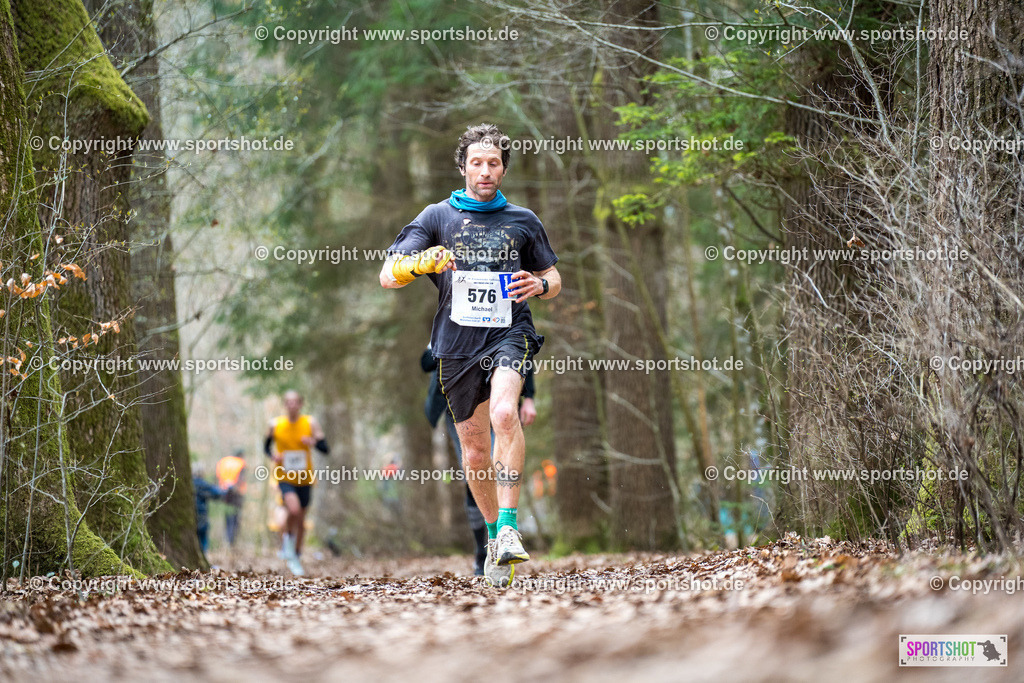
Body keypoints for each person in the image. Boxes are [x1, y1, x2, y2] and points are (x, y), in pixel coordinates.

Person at [380, 123, 560, 587]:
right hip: (457, 347)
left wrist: (540, 285)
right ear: (462, 166)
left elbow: (553, 277)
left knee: (505, 412)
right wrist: (421, 262)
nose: (485, 171)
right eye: (476, 163)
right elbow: (388, 275)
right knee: (476, 451)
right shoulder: (437, 216)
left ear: (503, 168)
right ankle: (497, 541)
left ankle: (509, 524)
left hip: (510, 332)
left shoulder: (523, 220)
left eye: (494, 163)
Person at [422, 346, 537, 576]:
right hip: (457, 405)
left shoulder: (504, 320)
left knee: (496, 465)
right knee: (474, 470)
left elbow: (521, 351)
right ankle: (482, 550)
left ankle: (504, 532)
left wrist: (529, 397)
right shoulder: (450, 319)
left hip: (495, 397)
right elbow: (426, 363)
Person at [264, 390, 329, 576]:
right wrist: (273, 456)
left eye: (295, 402)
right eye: (289, 402)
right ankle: (289, 550)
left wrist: (313, 442)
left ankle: (295, 554)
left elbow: (325, 448)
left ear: (300, 404)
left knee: (300, 519)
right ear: (285, 405)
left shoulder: (310, 423)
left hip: (305, 478)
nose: (292, 405)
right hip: (284, 477)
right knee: (293, 509)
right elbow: (266, 446)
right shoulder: (275, 424)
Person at [216, 449, 247, 547]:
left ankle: (227, 540)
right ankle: (231, 542)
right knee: (235, 518)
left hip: (224, 492)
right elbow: (241, 479)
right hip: (236, 494)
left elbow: (217, 475)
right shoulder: (240, 463)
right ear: (240, 455)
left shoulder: (224, 461)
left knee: (228, 517)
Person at [192, 462, 223, 554]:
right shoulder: (202, 484)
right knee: (203, 536)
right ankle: (203, 555)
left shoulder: (189, 482)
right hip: (201, 513)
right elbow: (218, 493)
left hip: (191, 514)